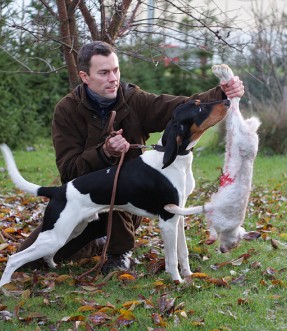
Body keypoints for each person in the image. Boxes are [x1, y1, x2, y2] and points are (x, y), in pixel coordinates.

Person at [16, 41, 245, 273]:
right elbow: (68, 171)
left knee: (117, 191)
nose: (113, 78)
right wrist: (103, 152)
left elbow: (181, 108)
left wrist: (222, 93)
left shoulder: (135, 100)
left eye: (115, 70)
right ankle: (96, 242)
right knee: (31, 261)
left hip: (130, 203)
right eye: (104, 73)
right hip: (81, 200)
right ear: (85, 76)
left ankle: (119, 251)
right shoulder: (67, 110)